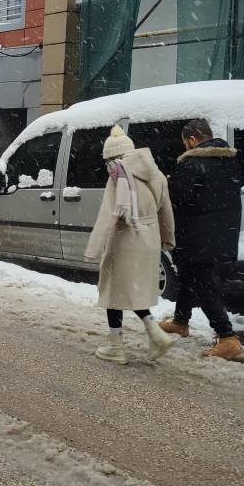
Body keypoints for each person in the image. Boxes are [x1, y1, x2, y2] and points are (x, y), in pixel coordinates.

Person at [84, 125, 176, 364]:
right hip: (150, 238)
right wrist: (168, 239)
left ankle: (116, 347)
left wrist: (93, 248)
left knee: (114, 292)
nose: (107, 166)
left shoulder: (118, 176)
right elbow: (166, 211)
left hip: (125, 238)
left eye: (107, 161)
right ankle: (155, 334)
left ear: (112, 157)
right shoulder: (156, 174)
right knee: (135, 290)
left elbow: (107, 216)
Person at [160, 118, 244, 362]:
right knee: (187, 277)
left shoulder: (193, 164)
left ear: (193, 140)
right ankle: (180, 321)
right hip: (222, 233)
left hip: (197, 236)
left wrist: (168, 183)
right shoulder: (230, 162)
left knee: (204, 285)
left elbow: (176, 199)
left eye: (185, 142)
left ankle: (228, 338)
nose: (185, 147)